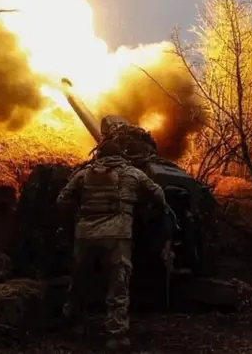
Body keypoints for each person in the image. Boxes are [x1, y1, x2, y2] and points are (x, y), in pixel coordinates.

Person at [56, 139, 169, 350]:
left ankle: (74, 322)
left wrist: (79, 213)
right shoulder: (133, 173)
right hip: (118, 235)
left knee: (80, 279)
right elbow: (159, 194)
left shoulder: (84, 174)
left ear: (99, 155)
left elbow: (62, 199)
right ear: (121, 155)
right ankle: (115, 336)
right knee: (118, 284)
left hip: (85, 234)